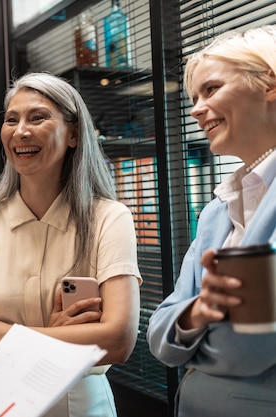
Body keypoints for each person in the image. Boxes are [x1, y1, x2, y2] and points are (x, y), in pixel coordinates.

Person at [0, 72, 142, 416]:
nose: (21, 131)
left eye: (38, 117)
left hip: (80, 403)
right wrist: (56, 337)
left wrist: (1, 336)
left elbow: (119, 340)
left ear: (74, 134)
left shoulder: (109, 218)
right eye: (11, 120)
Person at [147, 26, 276, 417]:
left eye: (211, 89)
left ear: (269, 84)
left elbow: (252, 347)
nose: (196, 109)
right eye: (193, 97)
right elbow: (160, 332)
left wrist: (194, 346)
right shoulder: (217, 210)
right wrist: (198, 312)